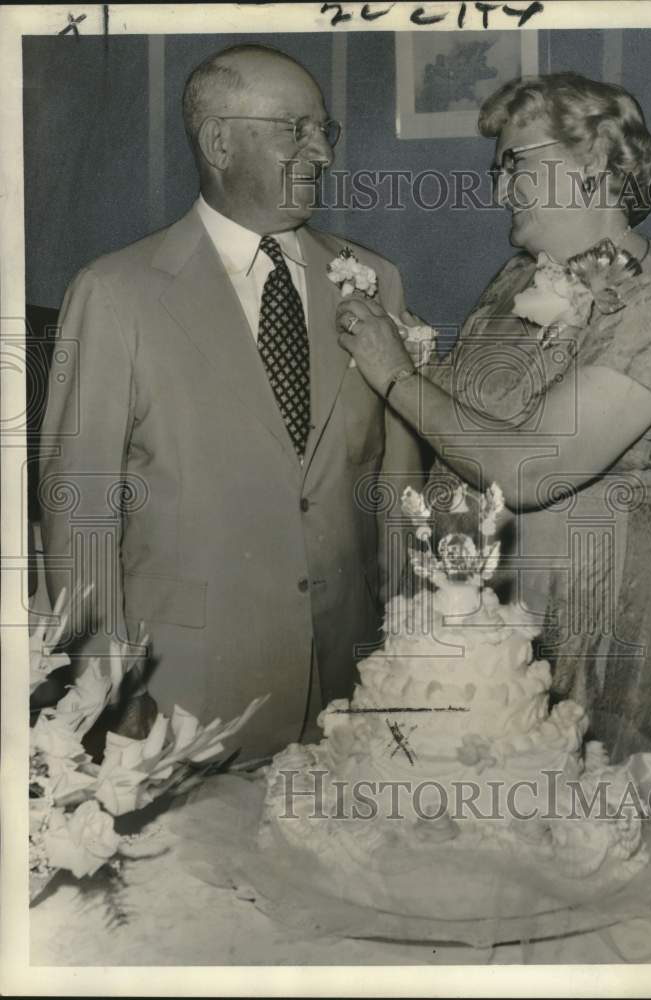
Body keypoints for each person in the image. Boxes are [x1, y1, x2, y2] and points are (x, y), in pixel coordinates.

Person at [39, 44, 421, 756]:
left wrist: (403, 655)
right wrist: (108, 690)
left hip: (350, 689)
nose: (322, 154)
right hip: (180, 695)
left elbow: (395, 490)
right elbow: (80, 509)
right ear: (219, 140)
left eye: (323, 131)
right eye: (295, 129)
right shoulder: (117, 292)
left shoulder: (373, 280)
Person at [335, 72, 651, 761]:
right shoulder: (520, 276)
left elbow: (527, 470)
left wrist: (394, 373)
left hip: (593, 615)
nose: (496, 190)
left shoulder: (650, 307)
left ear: (595, 163)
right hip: (487, 605)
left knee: (579, 825)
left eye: (514, 162)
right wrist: (419, 363)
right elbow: (466, 425)